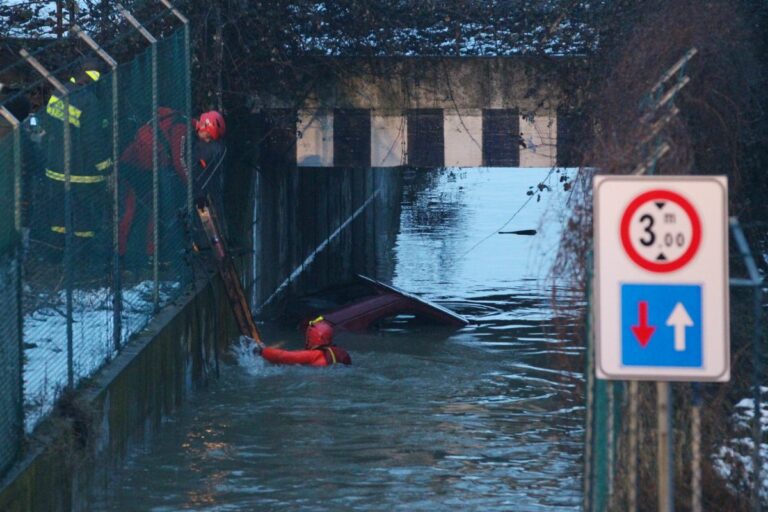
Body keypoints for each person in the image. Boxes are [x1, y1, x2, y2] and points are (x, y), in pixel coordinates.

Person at [117, 108, 227, 266]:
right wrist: (195, 190)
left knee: (153, 208)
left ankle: (149, 254)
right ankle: (120, 256)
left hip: (147, 168)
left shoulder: (186, 130)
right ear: (203, 127)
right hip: (135, 165)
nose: (208, 141)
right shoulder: (182, 129)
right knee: (130, 209)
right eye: (208, 136)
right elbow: (179, 161)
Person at [34, 60, 111, 258]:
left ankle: (56, 253)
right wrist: (106, 167)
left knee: (59, 215)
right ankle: (82, 256)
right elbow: (93, 140)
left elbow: (47, 126)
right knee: (84, 218)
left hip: (55, 168)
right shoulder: (89, 101)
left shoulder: (58, 93)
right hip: (82, 173)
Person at [256, 317, 352, 367]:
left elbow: (283, 356)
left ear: (312, 337)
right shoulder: (339, 352)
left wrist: (261, 351)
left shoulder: (314, 354)